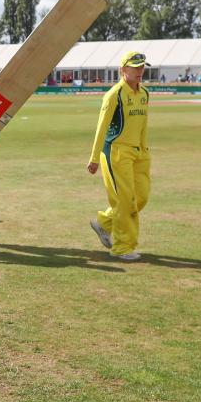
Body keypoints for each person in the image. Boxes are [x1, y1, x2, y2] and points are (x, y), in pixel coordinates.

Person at [86, 51, 151, 262]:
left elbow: (143, 125)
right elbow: (101, 127)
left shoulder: (144, 94)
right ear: (123, 70)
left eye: (142, 67)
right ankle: (123, 247)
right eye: (135, 67)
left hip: (138, 153)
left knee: (141, 197)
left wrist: (143, 149)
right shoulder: (114, 94)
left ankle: (104, 222)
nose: (140, 71)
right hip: (116, 152)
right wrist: (94, 158)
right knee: (125, 200)